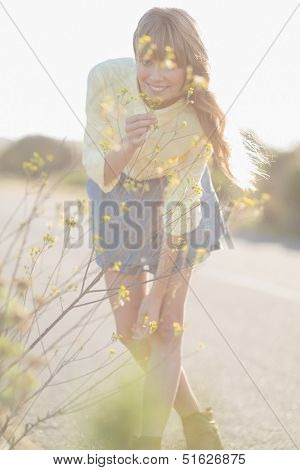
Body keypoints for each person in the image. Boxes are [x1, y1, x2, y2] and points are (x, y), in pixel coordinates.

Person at [82, 7, 269, 450]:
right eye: (146, 61)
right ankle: (193, 416)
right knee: (131, 329)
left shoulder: (197, 118)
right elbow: (96, 168)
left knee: (166, 327)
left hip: (176, 197)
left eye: (169, 63)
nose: (155, 75)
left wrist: (160, 294)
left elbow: (181, 203)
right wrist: (127, 145)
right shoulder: (106, 79)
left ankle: (146, 448)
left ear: (191, 65)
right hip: (117, 188)